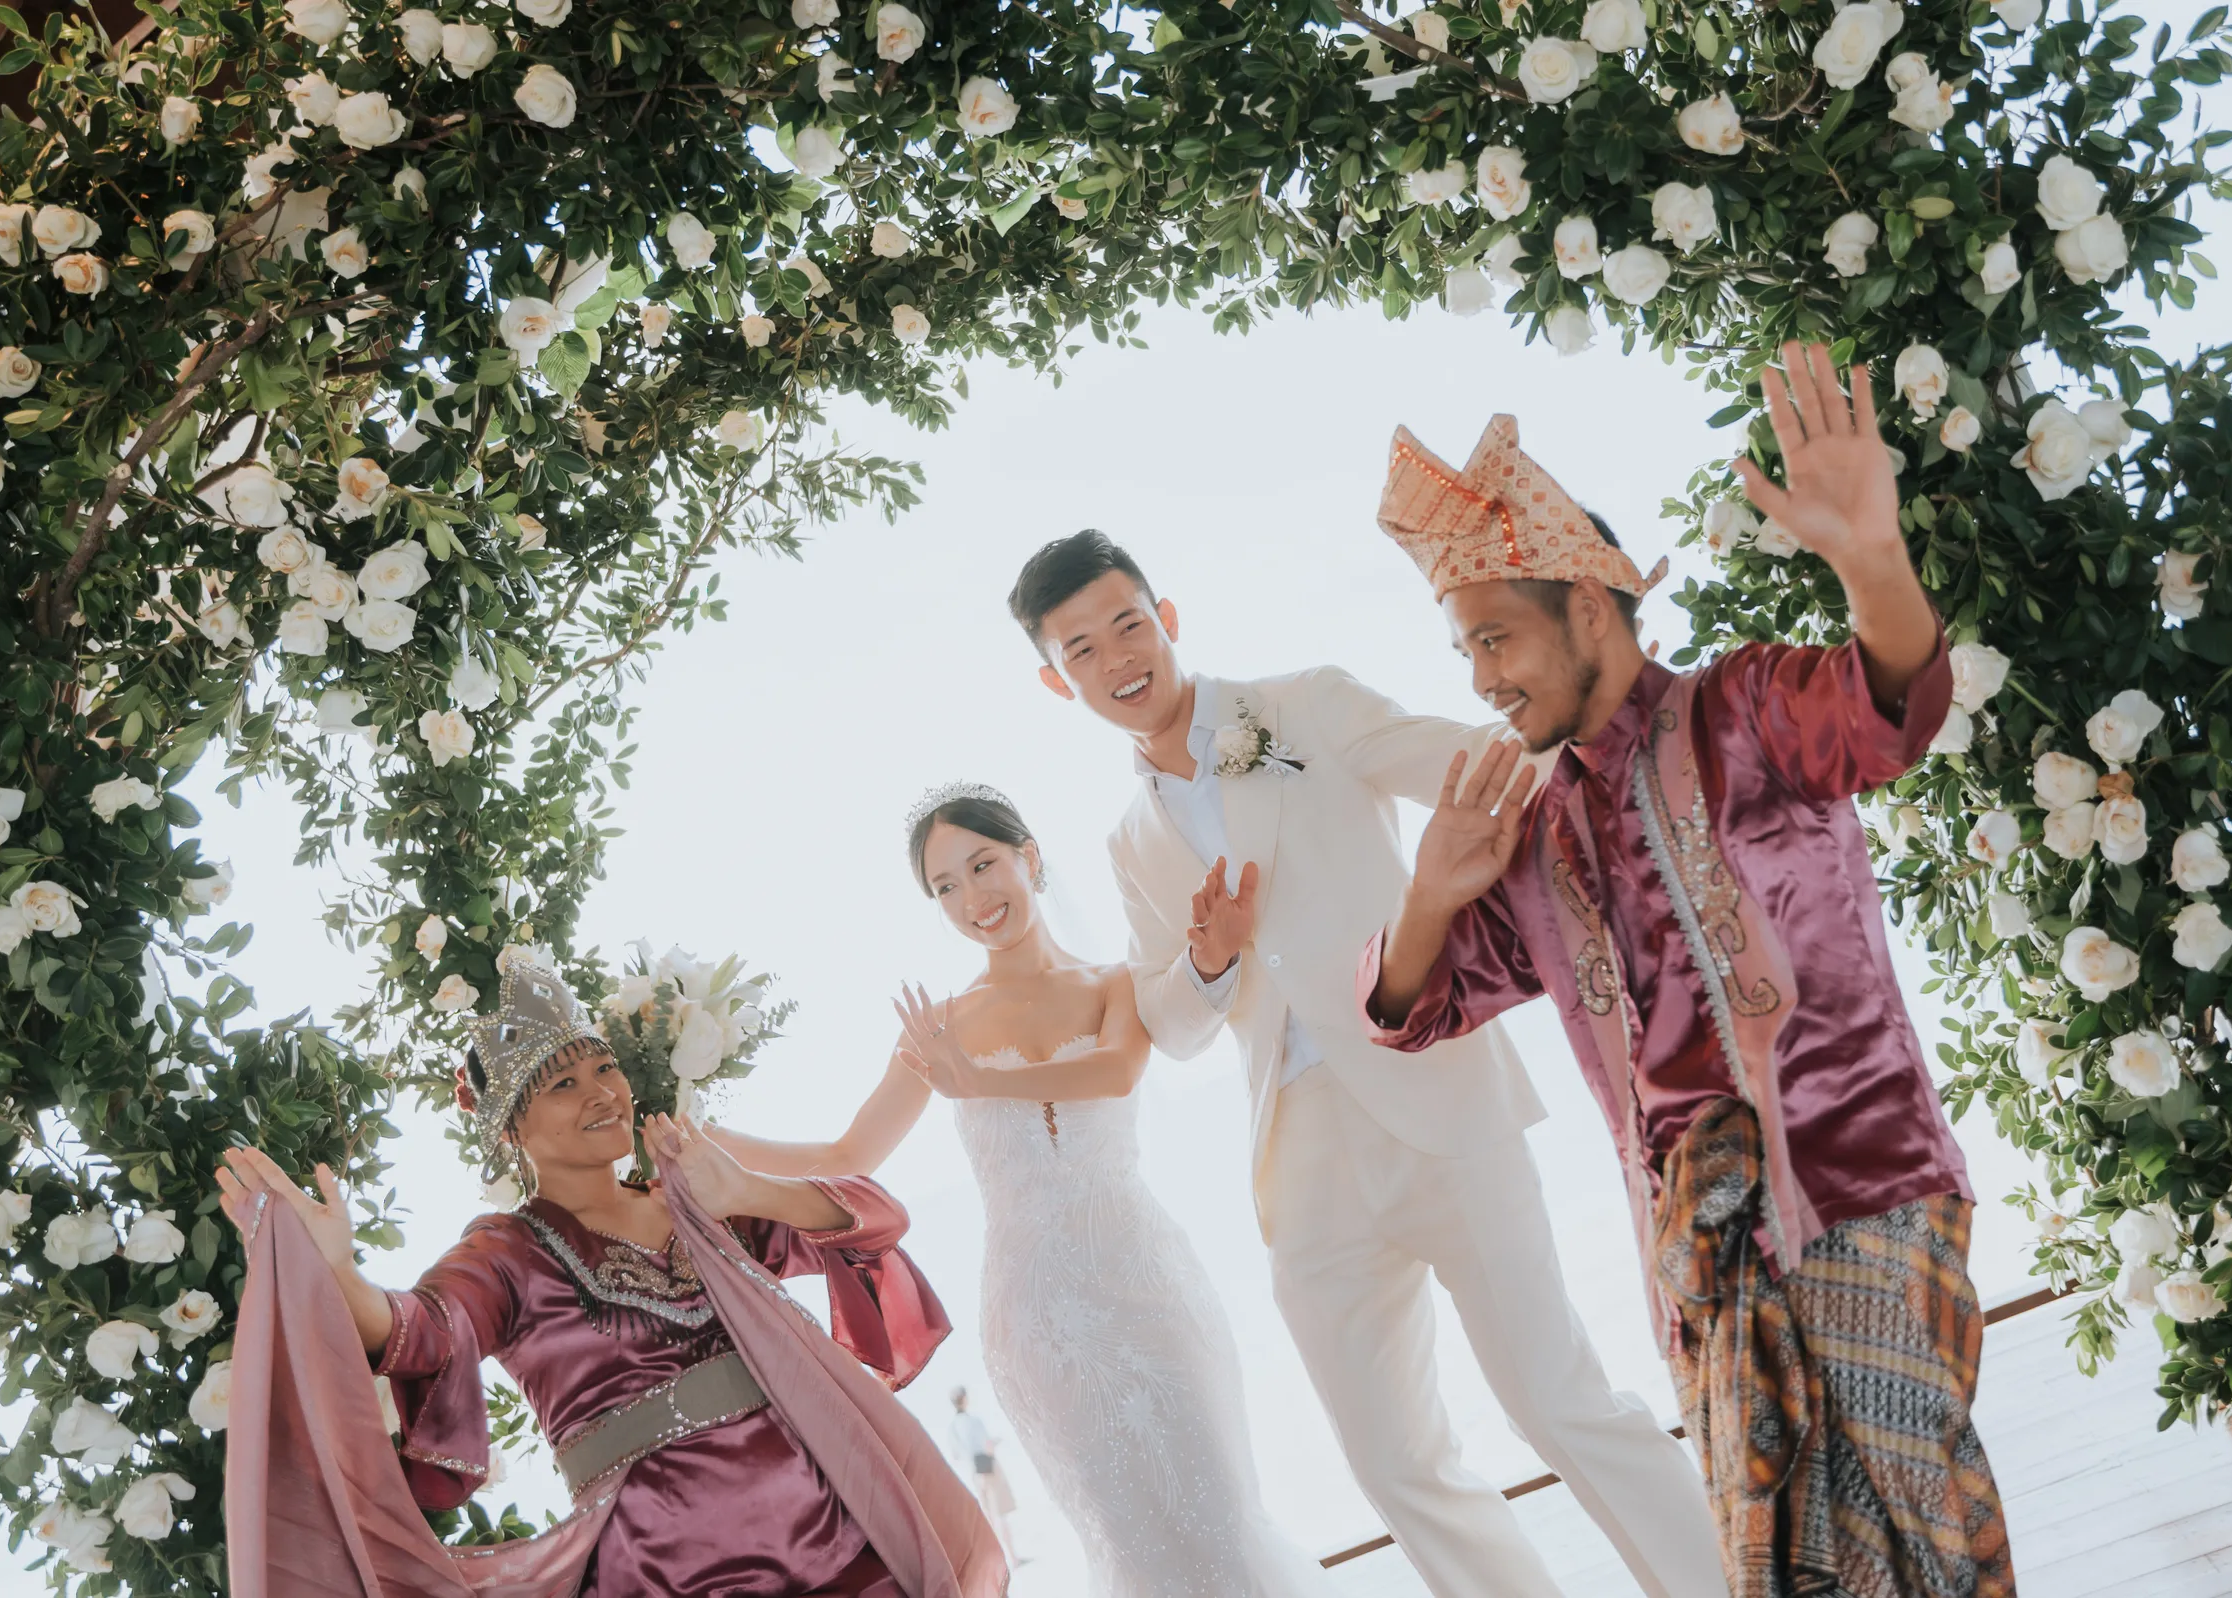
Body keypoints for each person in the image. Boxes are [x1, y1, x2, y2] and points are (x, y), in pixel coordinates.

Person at [1360, 346, 2016, 1598]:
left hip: (1860, 1187)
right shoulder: (1532, 836)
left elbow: (1889, 704)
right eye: (1465, 653)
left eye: (1495, 637)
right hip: (1699, 1267)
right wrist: (1430, 892)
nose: (1484, 679)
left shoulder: (1745, 709)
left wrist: (1872, 557)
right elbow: (1414, 1005)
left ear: (1587, 607)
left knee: (1929, 1544)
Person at [1007, 533, 1726, 1598]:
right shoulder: (1129, 840)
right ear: (1055, 680)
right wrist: (1209, 958)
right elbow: (1172, 1021)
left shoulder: (1300, 706)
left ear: (1168, 617)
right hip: (1301, 1164)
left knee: (1558, 1397)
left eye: (1128, 624)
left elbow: (1476, 765)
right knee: (1396, 1465)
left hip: (1438, 1092)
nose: (1117, 657)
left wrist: (1610, 692)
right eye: (1081, 649)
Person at [216, 944, 1004, 1598]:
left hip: (839, 1537)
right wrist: (339, 1272)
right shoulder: (506, 1252)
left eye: (604, 1069)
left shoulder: (696, 1195)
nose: (601, 1094)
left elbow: (874, 1220)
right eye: (564, 1085)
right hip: (663, 1568)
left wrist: (748, 1192)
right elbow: (424, 1330)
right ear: (512, 1132)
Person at [713, 785, 1335, 1598]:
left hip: (1149, 1287)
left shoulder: (1115, 982)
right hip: (1036, 1317)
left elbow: (1115, 1071)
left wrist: (978, 1081)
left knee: (1220, 1512)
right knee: (1132, 1539)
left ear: (1028, 857)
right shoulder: (939, 1026)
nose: (972, 898)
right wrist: (717, 1145)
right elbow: (848, 1151)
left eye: (982, 865)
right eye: (945, 886)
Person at [947, 1386, 1023, 1568]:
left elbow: (956, 1455)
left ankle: (999, 1564)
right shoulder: (974, 1421)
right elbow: (987, 1445)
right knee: (1000, 1514)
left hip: (974, 1474)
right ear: (965, 1399)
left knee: (990, 1519)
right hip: (988, 1468)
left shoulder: (953, 1427)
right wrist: (997, 1442)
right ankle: (1013, 1558)